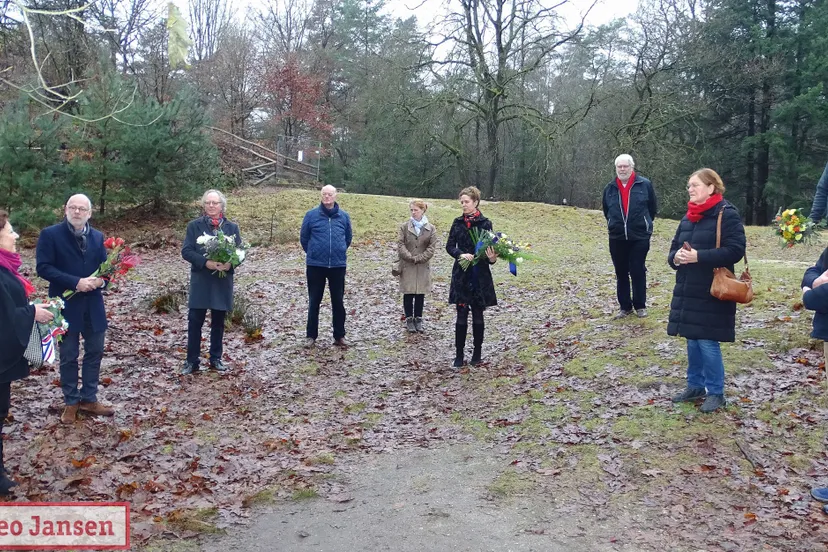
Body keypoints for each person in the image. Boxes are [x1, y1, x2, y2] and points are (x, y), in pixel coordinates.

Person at [667, 168, 746, 413]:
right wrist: (677, 258)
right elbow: (672, 252)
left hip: (713, 289)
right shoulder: (688, 216)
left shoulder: (727, 214)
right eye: (688, 185)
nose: (690, 189)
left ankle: (716, 392)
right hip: (688, 287)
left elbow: (735, 251)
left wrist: (699, 256)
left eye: (695, 185)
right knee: (692, 338)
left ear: (711, 187)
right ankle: (695, 386)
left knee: (707, 341)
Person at [36, 194, 113, 424]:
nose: (77, 212)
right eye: (73, 207)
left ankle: (89, 398)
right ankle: (71, 401)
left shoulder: (98, 237)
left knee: (95, 352)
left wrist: (102, 281)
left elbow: (106, 269)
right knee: (68, 356)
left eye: (82, 208)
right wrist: (75, 281)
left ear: (89, 213)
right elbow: (43, 267)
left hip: (93, 306)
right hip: (65, 306)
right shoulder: (50, 235)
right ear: (65, 209)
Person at [0, 211, 54, 493]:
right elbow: (5, 317)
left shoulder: (4, 267)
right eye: (9, 230)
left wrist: (33, 309)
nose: (16, 236)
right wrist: (32, 312)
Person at [180, 189, 242, 375]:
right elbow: (187, 251)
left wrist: (230, 263)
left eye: (215, 203)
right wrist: (205, 262)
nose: (211, 206)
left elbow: (240, 252)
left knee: (218, 322)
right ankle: (192, 361)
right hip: (201, 280)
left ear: (222, 205)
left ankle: (216, 358)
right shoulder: (194, 226)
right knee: (195, 322)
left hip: (222, 282)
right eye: (208, 203)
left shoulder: (231, 228)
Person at [446, 186, 498, 368]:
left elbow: (491, 250)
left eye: (466, 202)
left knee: (477, 314)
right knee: (461, 314)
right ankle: (459, 354)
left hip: (479, 274)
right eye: (461, 202)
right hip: (461, 273)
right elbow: (450, 246)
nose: (463, 205)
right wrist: (460, 254)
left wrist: (492, 259)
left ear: (475, 202)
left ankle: (477, 353)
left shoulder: (485, 223)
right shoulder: (457, 222)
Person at [602, 154, 658, 318]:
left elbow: (652, 208)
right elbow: (607, 211)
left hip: (639, 236)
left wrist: (644, 224)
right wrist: (613, 224)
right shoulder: (610, 188)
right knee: (621, 272)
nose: (622, 169)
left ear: (632, 167)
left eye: (625, 166)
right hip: (617, 237)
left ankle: (640, 305)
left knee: (637, 269)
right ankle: (625, 307)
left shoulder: (644, 185)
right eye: (619, 166)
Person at [300, 185, 353, 348]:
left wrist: (339, 250)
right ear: (321, 196)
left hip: (337, 265)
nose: (327, 197)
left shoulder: (344, 217)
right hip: (316, 265)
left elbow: (348, 238)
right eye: (324, 194)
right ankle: (311, 336)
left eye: (330, 194)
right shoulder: (311, 215)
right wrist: (314, 253)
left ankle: (339, 335)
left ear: (335, 196)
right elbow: (304, 238)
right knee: (314, 301)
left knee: (338, 301)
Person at [397, 200, 438, 333]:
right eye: (412, 210)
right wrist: (409, 257)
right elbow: (400, 244)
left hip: (422, 265)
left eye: (416, 210)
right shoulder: (404, 227)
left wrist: (420, 258)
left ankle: (418, 318)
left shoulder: (430, 228)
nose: (413, 213)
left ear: (422, 211)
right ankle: (409, 319)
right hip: (407, 264)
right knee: (408, 292)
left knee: (420, 293)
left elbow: (431, 248)